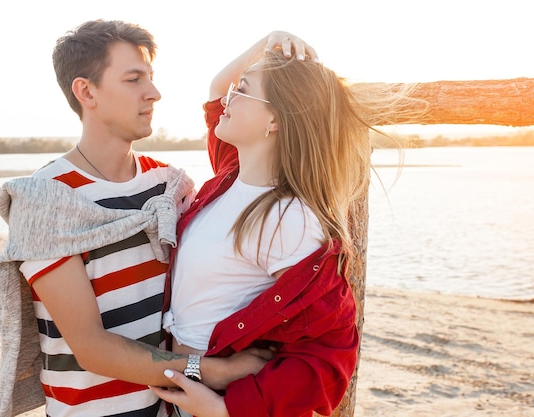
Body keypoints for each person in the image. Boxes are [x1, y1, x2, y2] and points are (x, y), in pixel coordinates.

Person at [0, 20, 311, 417]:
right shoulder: (46, 199)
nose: (154, 93)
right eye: (133, 79)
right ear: (86, 91)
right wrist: (214, 370)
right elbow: (91, 348)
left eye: (152, 77)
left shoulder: (170, 185)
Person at [150, 33, 420, 417]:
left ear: (274, 119)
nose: (228, 98)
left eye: (242, 91)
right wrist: (266, 43)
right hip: (183, 390)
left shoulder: (289, 219)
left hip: (214, 404)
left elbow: (329, 355)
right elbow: (215, 92)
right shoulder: (232, 175)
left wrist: (226, 411)